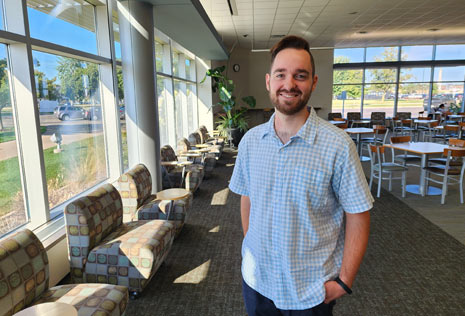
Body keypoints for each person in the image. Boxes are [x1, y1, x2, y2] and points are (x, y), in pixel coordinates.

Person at [229, 35, 374, 316]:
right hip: (258, 283)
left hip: (311, 291)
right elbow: (247, 197)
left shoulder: (338, 145)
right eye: (281, 74)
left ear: (313, 83)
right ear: (269, 81)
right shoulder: (250, 141)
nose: (289, 84)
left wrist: (344, 281)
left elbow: (358, 214)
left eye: (300, 75)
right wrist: (253, 246)